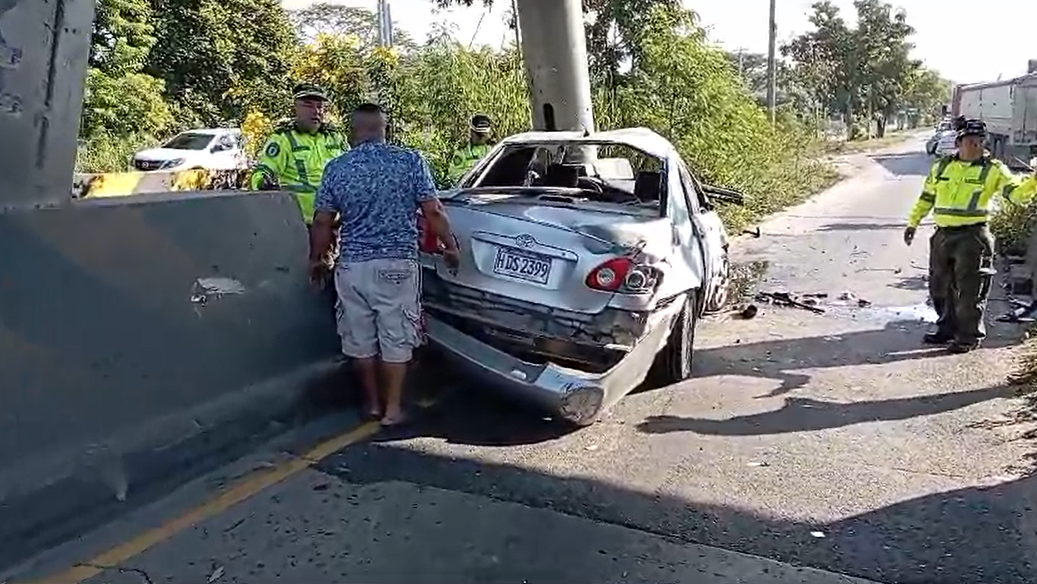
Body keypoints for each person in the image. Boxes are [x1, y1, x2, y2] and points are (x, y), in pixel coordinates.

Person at [310, 103, 460, 426]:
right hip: (396, 265)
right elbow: (433, 211)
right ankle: (393, 410)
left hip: (352, 267)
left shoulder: (336, 168)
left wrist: (317, 259)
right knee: (396, 338)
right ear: (383, 129)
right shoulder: (410, 161)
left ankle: (372, 405)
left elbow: (322, 222)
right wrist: (451, 245)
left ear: (354, 132)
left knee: (359, 339)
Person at [904, 118, 1037, 353]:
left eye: (979, 141)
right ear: (959, 142)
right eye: (969, 141)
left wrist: (1034, 181)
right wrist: (913, 223)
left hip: (973, 237)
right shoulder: (943, 167)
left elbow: (1016, 195)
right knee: (939, 286)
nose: (975, 145)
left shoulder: (994, 169)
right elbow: (926, 198)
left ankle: (968, 337)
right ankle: (946, 328)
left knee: (970, 290)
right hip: (943, 235)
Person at [250, 83, 348, 226]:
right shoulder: (283, 139)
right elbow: (263, 171)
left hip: (335, 223)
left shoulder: (335, 137)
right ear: (294, 108)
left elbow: (353, 170)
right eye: (308, 106)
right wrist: (262, 183)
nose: (316, 111)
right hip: (300, 223)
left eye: (320, 106)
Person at [445, 114, 495, 185]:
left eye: (485, 135)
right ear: (472, 132)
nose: (483, 139)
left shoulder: (492, 150)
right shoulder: (462, 152)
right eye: (480, 135)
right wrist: (472, 174)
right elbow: (453, 175)